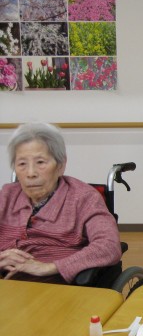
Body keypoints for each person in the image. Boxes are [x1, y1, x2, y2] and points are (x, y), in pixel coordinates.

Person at [0, 122, 122, 284]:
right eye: (22, 164)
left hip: (56, 287)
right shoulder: (6, 195)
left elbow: (109, 246)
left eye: (40, 162)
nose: (31, 173)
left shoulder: (83, 198)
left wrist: (48, 267)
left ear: (61, 165)